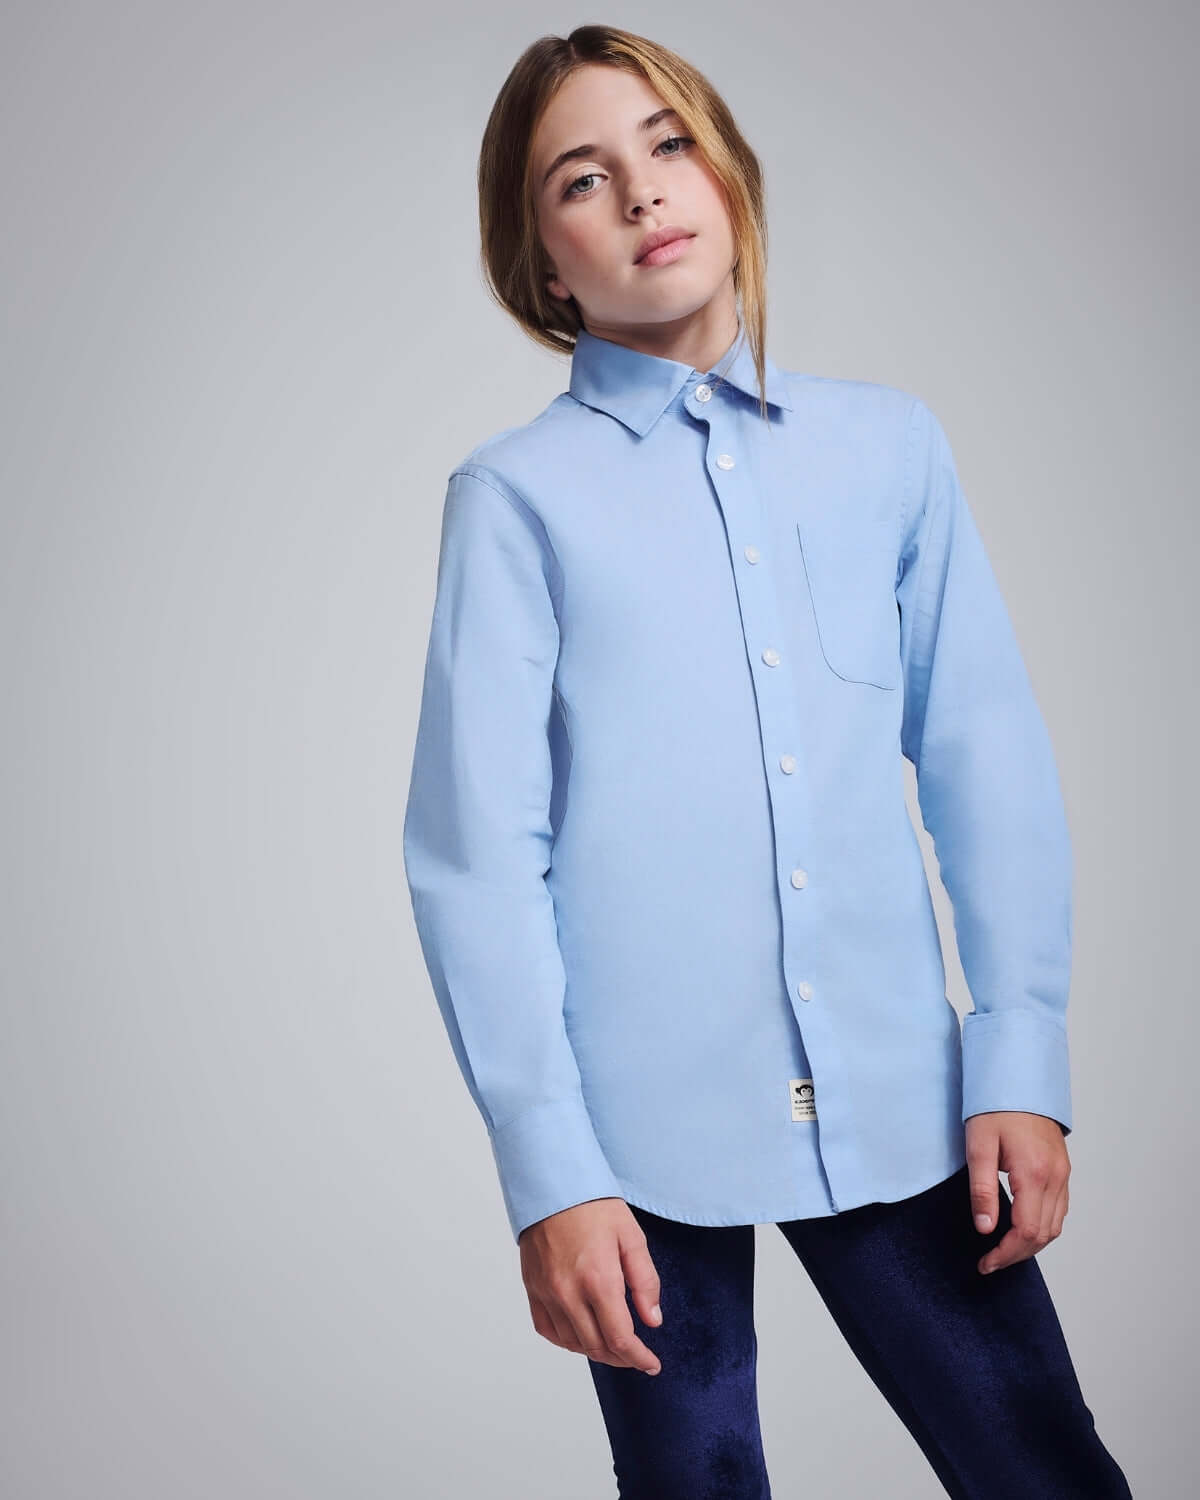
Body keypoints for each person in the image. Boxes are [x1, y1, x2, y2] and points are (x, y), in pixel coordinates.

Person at [402, 23, 1134, 1499]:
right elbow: (478, 858)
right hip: (638, 1151)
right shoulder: (515, 502)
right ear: (544, 265)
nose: (641, 194)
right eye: (581, 179)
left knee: (1045, 1472)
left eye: (668, 145)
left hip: (904, 1097)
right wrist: (552, 1174)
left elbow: (982, 752)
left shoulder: (890, 451)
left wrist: (1021, 1053)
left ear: (729, 173)